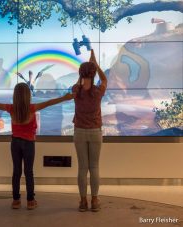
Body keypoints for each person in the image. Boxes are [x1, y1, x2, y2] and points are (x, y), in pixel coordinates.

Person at [0, 83, 74, 210]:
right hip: (29, 144)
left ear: (15, 96)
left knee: (16, 172)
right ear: (28, 96)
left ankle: (16, 201)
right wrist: (64, 98)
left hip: (15, 143)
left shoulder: (11, 108)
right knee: (29, 172)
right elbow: (50, 102)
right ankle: (30, 201)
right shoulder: (32, 108)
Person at [72, 49, 107, 212]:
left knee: (82, 168)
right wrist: (96, 64)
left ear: (80, 74)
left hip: (79, 132)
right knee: (94, 167)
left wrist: (85, 70)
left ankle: (82, 202)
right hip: (95, 132)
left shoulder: (76, 90)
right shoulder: (98, 91)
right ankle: (94, 201)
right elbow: (105, 79)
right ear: (93, 75)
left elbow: (80, 83)